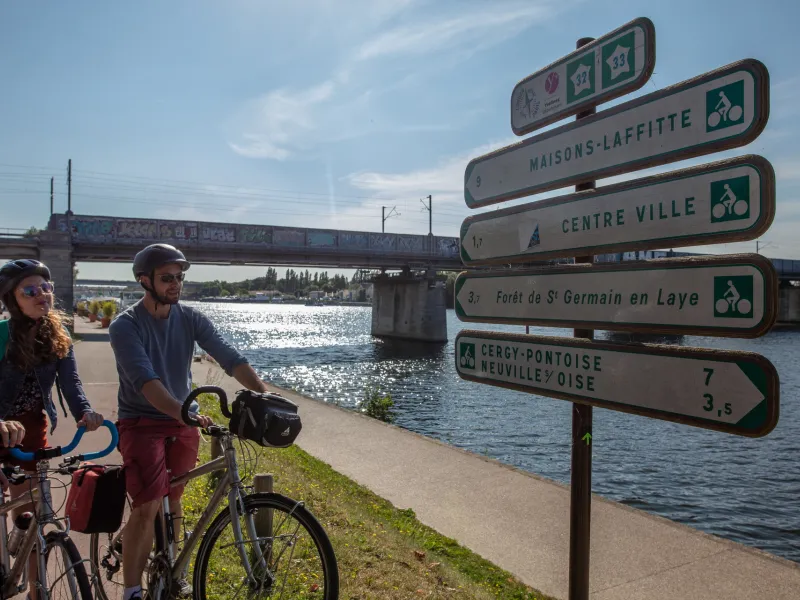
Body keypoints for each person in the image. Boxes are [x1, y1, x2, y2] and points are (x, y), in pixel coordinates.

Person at [108, 243, 271, 600]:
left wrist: (262, 394)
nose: (176, 284)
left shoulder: (190, 317)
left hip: (181, 419)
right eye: (167, 278)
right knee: (149, 503)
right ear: (144, 281)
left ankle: (173, 568)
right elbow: (147, 383)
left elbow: (229, 356)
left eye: (180, 277)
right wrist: (188, 414)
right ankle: (132, 589)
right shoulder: (125, 326)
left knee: (176, 497)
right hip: (141, 420)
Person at [0, 259, 104, 600]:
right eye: (30, 290)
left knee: (31, 513)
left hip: (31, 428)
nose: (41, 294)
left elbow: (71, 382)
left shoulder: (58, 334)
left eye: (46, 288)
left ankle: (35, 590)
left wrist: (85, 412)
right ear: (12, 299)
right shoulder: (2, 334)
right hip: (0, 427)